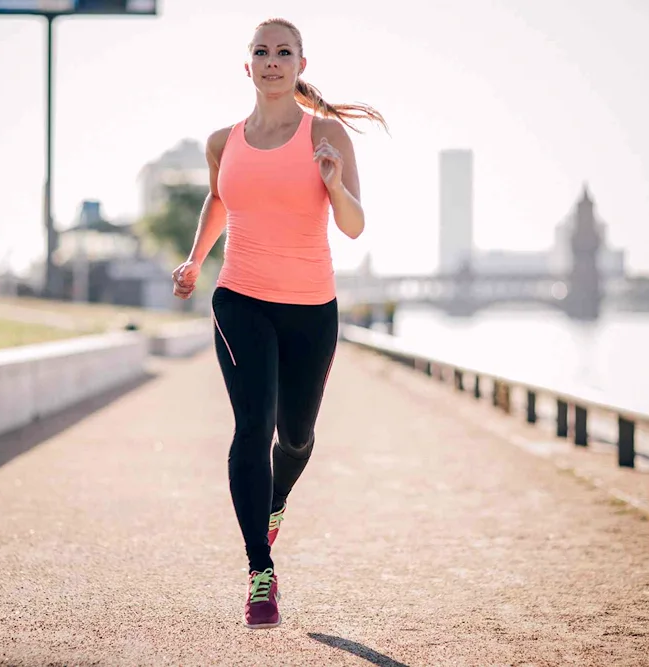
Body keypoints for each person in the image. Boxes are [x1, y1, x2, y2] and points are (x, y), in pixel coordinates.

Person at [171, 17, 387, 629]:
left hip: (312, 309)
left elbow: (352, 225)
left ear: (300, 65)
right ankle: (259, 572)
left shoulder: (328, 136)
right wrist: (195, 260)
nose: (272, 60)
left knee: (295, 439)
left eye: (283, 52)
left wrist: (334, 183)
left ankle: (274, 502)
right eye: (261, 52)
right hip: (239, 298)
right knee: (252, 426)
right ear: (248, 66)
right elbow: (219, 199)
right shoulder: (223, 141)